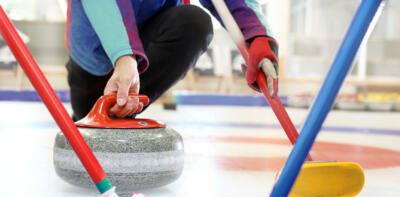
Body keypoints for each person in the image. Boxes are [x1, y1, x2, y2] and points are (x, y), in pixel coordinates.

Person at [66, 0, 278, 120]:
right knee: (86, 120)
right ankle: (94, 115)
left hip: (145, 50)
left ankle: (124, 106)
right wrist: (124, 55)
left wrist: (258, 35)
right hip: (95, 58)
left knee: (194, 24)